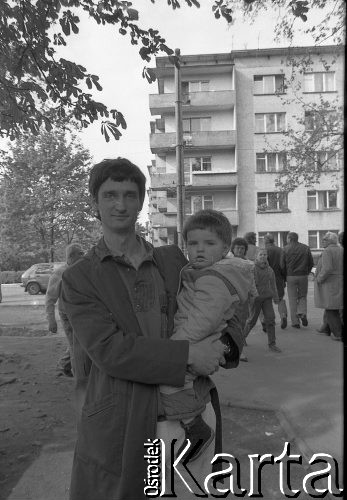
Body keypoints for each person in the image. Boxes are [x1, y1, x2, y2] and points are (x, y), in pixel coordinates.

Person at [61, 158, 232, 500]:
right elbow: (110, 350)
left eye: (129, 194)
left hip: (192, 411)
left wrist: (227, 345)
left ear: (141, 200)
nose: (120, 204)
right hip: (129, 421)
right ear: (94, 202)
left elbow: (224, 300)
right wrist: (188, 354)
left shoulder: (172, 259)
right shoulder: (79, 277)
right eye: (110, 195)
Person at [160, 210, 251, 459]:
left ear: (225, 248)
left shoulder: (213, 278)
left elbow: (204, 320)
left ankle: (194, 427)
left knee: (170, 384)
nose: (199, 250)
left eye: (209, 244)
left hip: (195, 340)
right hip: (196, 339)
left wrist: (175, 349)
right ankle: (193, 428)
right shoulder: (202, 272)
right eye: (193, 243)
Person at [45, 244, 84, 377]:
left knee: (80, 341)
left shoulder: (80, 270)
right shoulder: (60, 273)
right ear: (71, 256)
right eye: (80, 253)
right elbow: (50, 299)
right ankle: (80, 378)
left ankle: (63, 365)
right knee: (75, 345)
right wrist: (51, 321)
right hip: (67, 314)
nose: (83, 255)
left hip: (80, 313)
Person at [243, 248, 282, 353]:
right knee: (251, 321)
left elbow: (273, 285)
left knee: (270, 319)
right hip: (255, 299)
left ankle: (272, 344)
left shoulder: (270, 270)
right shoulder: (253, 268)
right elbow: (249, 284)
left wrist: (276, 298)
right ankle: (241, 339)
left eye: (265, 254)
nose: (263, 256)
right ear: (256, 256)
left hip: (267, 298)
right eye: (261, 255)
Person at [314, 232, 343, 341]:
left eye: (324, 239)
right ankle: (325, 328)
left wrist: (319, 279)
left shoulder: (328, 251)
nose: (322, 241)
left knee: (331, 308)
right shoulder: (341, 249)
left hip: (330, 283)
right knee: (331, 306)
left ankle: (337, 334)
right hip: (338, 282)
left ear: (329, 241)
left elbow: (327, 268)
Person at [282, 232, 314, 328]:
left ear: (289, 238)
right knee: (302, 296)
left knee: (292, 299)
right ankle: (302, 313)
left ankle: (295, 323)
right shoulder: (305, 248)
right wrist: (307, 272)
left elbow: (282, 265)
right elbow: (311, 262)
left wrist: (285, 276)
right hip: (303, 275)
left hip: (290, 276)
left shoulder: (285, 249)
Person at [264, 233, 288, 329]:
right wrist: (284, 278)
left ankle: (268, 321)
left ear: (266, 241)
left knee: (267, 300)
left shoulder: (265, 251)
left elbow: (263, 264)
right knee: (280, 298)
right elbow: (283, 265)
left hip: (267, 278)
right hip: (279, 277)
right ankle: (283, 315)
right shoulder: (280, 250)